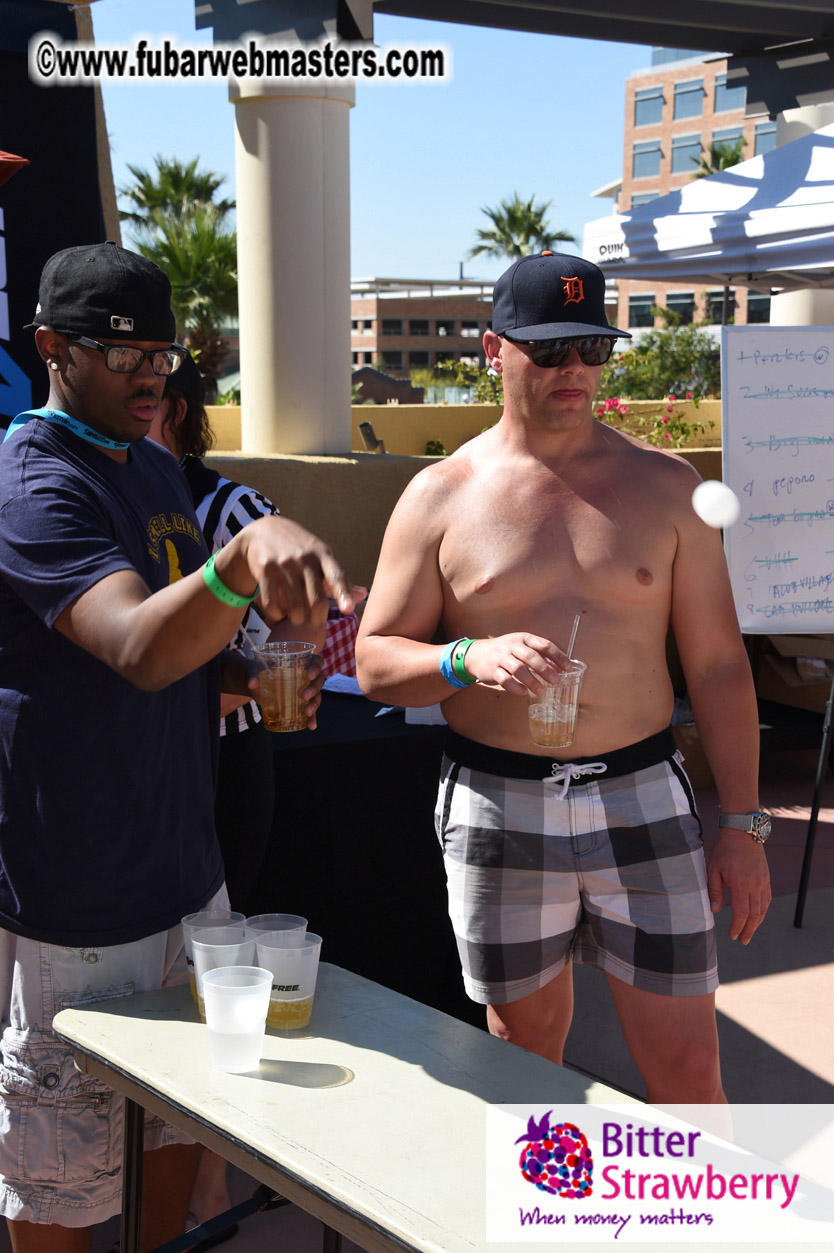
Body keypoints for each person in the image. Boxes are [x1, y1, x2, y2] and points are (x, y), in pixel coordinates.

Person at [0, 241, 355, 1253]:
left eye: (163, 352)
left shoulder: (151, 464)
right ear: (51, 349)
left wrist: (249, 672)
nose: (152, 374)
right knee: (61, 1180)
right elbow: (132, 646)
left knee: (172, 1128)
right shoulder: (30, 477)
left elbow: (183, 651)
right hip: (76, 888)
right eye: (122, 354)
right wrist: (241, 560)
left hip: (181, 872)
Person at [355, 251, 771, 1105]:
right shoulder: (440, 495)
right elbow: (373, 662)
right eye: (548, 351)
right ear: (492, 349)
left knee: (690, 1067)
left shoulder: (667, 487)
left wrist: (746, 824)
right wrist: (463, 658)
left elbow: (721, 664)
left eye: (591, 347)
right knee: (522, 1060)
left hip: (642, 791)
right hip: (500, 798)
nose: (573, 369)